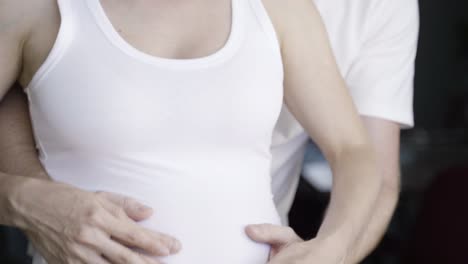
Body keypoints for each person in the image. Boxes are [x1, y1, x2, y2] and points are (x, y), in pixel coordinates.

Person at [0, 0, 411, 264]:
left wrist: (334, 247)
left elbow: (355, 150)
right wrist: (23, 198)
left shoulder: (281, 10)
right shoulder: (30, 10)